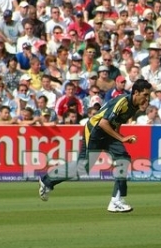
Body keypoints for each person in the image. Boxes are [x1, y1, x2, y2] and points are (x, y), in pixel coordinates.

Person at [38, 79, 153, 213]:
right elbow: (103, 123)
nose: (147, 98)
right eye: (145, 95)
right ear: (136, 92)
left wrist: (119, 137)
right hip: (95, 131)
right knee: (83, 167)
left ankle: (116, 201)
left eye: (148, 95)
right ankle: (47, 180)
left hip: (109, 133)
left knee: (123, 158)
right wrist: (121, 138)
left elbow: (115, 122)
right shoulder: (122, 101)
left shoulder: (134, 106)